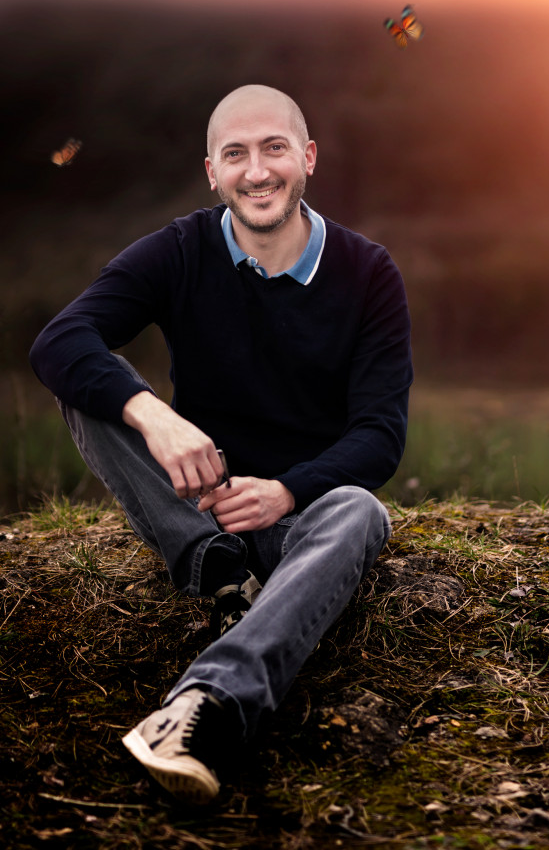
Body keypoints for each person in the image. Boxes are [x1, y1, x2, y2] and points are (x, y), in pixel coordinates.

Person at [29, 84, 413, 804]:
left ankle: (208, 703)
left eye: (274, 148)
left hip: (302, 514)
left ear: (308, 157)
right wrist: (154, 414)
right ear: (212, 172)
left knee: (361, 508)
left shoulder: (369, 272)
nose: (257, 171)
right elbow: (59, 341)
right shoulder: (178, 250)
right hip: (197, 504)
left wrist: (289, 490)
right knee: (94, 382)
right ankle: (221, 573)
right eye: (236, 154)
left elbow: (381, 433)